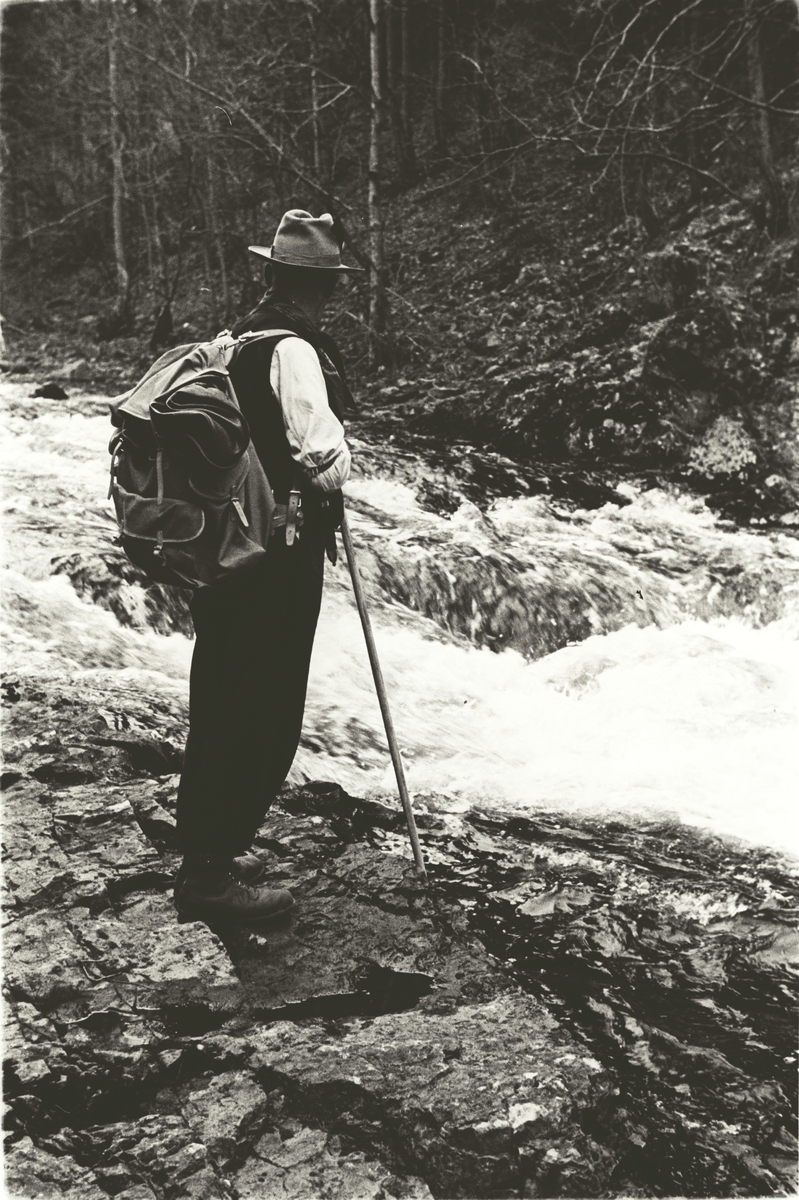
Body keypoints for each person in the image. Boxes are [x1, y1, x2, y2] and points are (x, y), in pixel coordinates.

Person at [173, 209, 361, 922]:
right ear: (322, 286)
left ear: (270, 274)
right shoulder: (294, 350)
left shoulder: (234, 339)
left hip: (224, 548)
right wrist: (345, 463)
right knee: (266, 708)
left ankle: (209, 853)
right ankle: (210, 879)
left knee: (222, 697)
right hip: (275, 557)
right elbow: (322, 460)